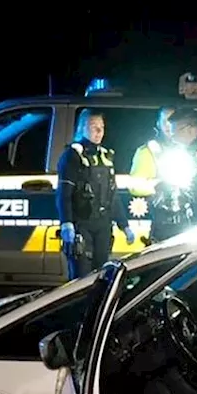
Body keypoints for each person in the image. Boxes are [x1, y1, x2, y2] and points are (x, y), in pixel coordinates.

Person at [56, 109, 134, 279]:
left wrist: (124, 225)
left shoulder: (106, 156)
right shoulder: (72, 156)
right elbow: (64, 194)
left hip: (103, 226)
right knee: (81, 279)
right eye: (93, 127)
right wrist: (66, 223)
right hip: (81, 225)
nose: (99, 132)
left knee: (102, 276)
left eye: (101, 127)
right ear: (81, 128)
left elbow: (113, 195)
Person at [129, 105, 176, 189]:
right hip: (157, 200)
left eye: (172, 120)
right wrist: (157, 184)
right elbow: (135, 188)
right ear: (158, 124)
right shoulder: (147, 151)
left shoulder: (190, 149)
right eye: (165, 120)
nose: (168, 124)